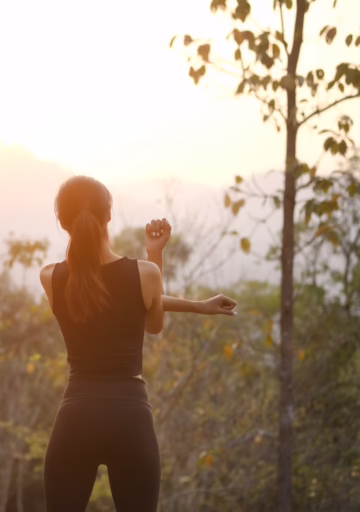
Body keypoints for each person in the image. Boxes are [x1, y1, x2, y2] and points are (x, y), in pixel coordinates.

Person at [39, 175, 237, 512]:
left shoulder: (51, 278)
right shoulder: (145, 273)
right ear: (109, 215)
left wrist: (199, 305)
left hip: (75, 416)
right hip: (129, 417)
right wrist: (154, 256)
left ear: (62, 222)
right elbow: (152, 321)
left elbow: (109, 295)